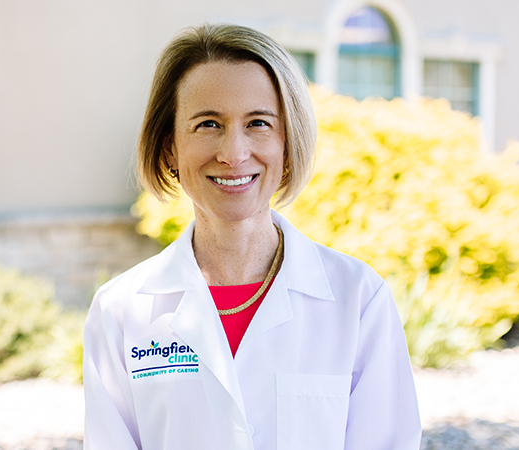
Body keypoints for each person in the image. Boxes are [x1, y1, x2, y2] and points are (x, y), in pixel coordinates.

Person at [82, 23, 421, 450]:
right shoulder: (119, 310)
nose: (234, 154)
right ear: (170, 148)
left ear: (287, 143)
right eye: (208, 124)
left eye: (258, 123)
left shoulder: (358, 299)